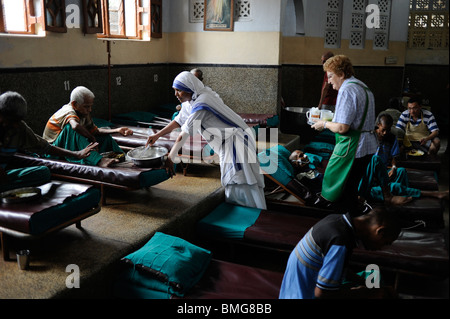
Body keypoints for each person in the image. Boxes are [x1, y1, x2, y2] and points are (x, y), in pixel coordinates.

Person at [146, 71, 267, 209]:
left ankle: (250, 213)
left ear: (189, 88)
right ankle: (244, 211)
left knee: (240, 180)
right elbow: (178, 121)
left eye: (178, 90)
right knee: (236, 180)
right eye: (174, 90)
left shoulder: (202, 102)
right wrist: (157, 135)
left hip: (235, 143)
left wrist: (170, 157)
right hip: (227, 144)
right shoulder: (190, 101)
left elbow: (184, 134)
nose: (176, 94)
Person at [279, 206, 400, 299]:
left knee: (373, 279)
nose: (381, 248)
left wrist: (367, 284)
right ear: (380, 231)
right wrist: (366, 293)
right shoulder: (340, 241)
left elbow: (339, 268)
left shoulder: (336, 220)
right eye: (385, 243)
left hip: (292, 289)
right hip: (304, 294)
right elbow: (322, 293)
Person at [311, 55, 378, 214]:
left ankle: (344, 223)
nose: (329, 81)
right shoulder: (362, 86)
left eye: (331, 76)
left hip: (354, 147)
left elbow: (342, 128)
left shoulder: (346, 90)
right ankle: (351, 219)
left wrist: (324, 124)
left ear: (341, 74)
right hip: (367, 145)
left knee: (342, 188)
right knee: (351, 187)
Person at [0, 91, 97, 192]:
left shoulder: (19, 128)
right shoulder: (69, 112)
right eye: (9, 121)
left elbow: (45, 147)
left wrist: (76, 154)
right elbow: (74, 126)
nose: (14, 126)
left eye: (17, 121)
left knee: (43, 172)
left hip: (4, 178)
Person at [359, 114, 448, 205]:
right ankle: (393, 193)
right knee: (377, 162)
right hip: (370, 175)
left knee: (401, 171)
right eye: (383, 130)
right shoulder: (369, 137)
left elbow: (394, 157)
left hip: (384, 172)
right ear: (378, 125)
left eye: (388, 130)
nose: (385, 133)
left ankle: (395, 193)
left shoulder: (391, 138)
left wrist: (393, 167)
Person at [43, 86, 133, 167]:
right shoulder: (68, 110)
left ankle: (122, 156)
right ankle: (99, 161)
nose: (90, 109)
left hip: (68, 145)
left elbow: (95, 131)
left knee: (104, 137)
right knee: (71, 128)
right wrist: (91, 137)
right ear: (74, 104)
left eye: (90, 106)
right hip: (54, 150)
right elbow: (75, 126)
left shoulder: (83, 113)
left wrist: (117, 130)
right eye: (86, 107)